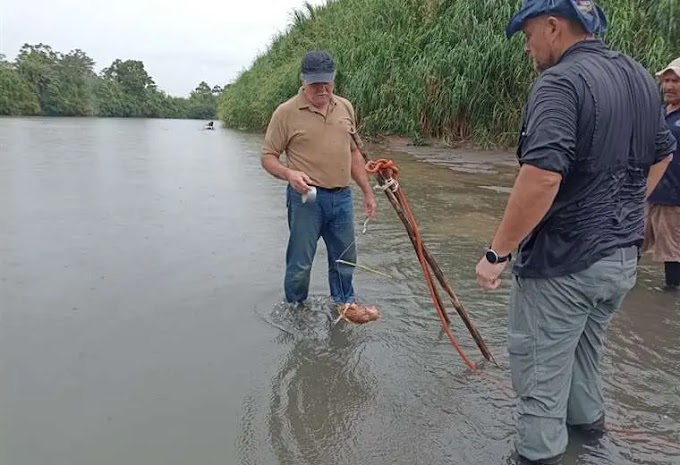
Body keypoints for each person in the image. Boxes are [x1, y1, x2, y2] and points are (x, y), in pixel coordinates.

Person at [474, 1, 676, 464]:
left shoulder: (559, 83)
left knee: (540, 378)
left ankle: (537, 456)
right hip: (619, 261)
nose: (527, 47)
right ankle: (589, 440)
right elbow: (663, 154)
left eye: (528, 35)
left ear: (553, 26)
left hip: (563, 264)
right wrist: (622, 208)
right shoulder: (641, 78)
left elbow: (542, 176)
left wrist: (497, 254)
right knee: (585, 354)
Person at [261, 50, 376, 306]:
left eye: (327, 82)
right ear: (303, 81)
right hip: (307, 200)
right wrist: (289, 174)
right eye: (315, 84)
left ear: (334, 79)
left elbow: (354, 152)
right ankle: (294, 310)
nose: (322, 89)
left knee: (346, 260)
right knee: (300, 264)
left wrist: (367, 192)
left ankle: (344, 305)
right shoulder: (286, 113)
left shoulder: (345, 106)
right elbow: (268, 157)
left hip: (342, 199)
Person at [643, 57, 680, 290]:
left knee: (672, 253)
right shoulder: (657, 112)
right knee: (628, 243)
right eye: (665, 80)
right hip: (647, 193)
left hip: (674, 200)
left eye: (675, 81)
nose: (668, 86)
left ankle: (670, 301)